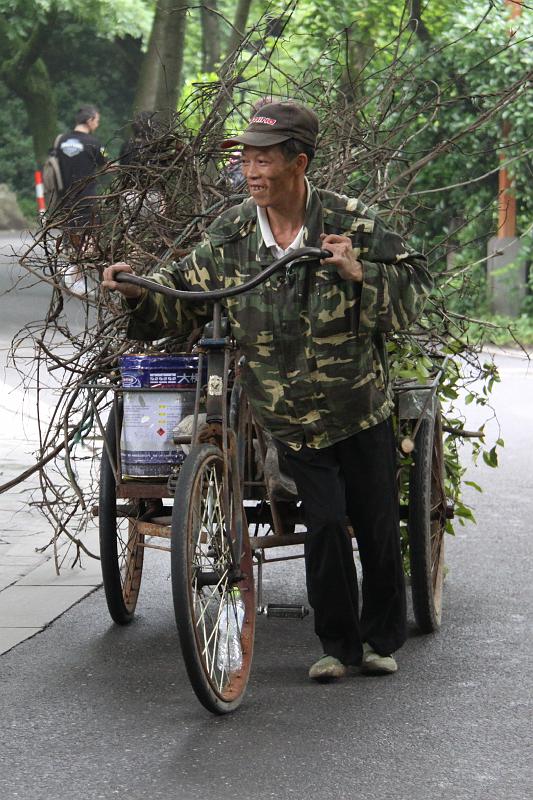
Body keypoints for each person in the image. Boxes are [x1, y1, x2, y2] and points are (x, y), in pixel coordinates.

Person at [103, 101, 433, 682]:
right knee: (325, 523)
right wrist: (136, 293)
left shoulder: (350, 222)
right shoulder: (231, 235)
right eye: (246, 161)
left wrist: (362, 274)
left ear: (298, 162)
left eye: (263, 160)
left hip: (358, 405)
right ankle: (337, 645)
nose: (251, 172)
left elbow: (414, 293)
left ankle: (382, 637)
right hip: (287, 413)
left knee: (377, 521)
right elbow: (181, 299)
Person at [56, 105, 107, 293]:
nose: (98, 123)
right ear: (90, 120)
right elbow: (106, 164)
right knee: (89, 240)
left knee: (71, 236)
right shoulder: (94, 142)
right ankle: (73, 276)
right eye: (97, 120)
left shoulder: (61, 140)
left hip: (64, 198)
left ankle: (71, 273)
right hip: (87, 197)